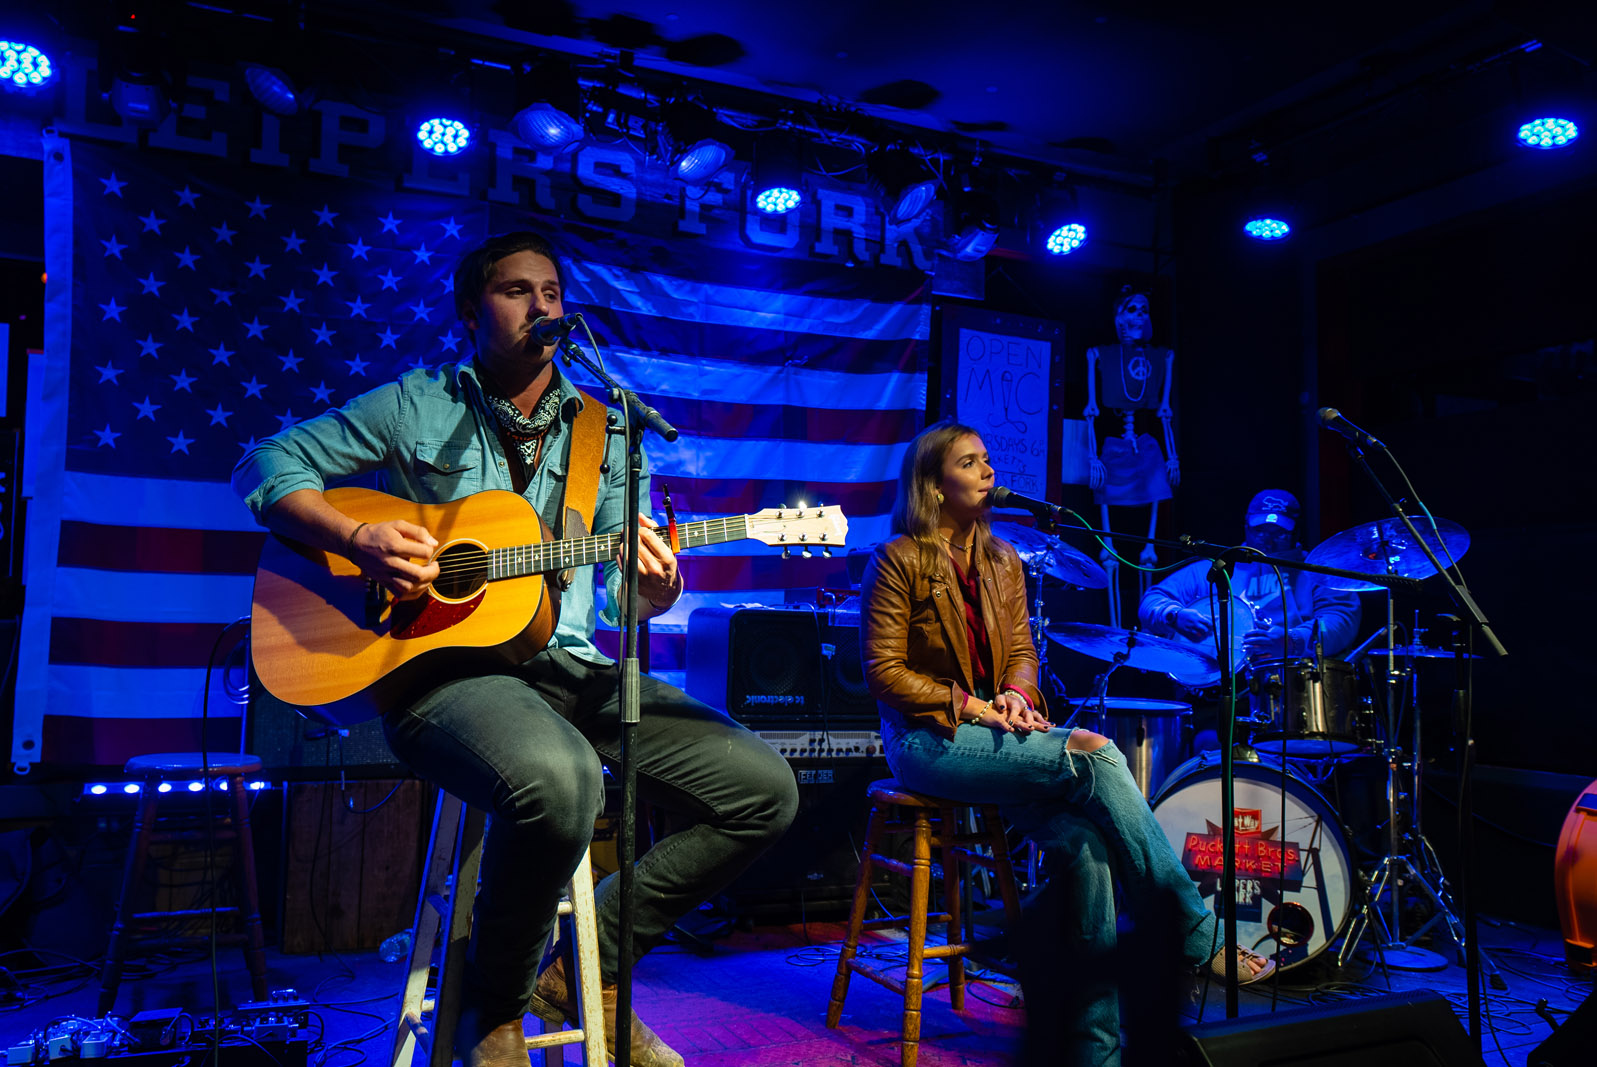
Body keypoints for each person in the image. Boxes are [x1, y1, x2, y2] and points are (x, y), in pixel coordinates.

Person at [233, 231, 798, 1067]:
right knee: (560, 779)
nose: (542, 305)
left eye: (552, 291)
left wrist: (650, 589)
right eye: (515, 289)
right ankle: (489, 1010)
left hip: (565, 666)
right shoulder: (415, 403)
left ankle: (585, 968)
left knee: (764, 789)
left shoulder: (605, 429)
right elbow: (265, 465)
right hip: (440, 674)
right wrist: (361, 538)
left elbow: (613, 589)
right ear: (471, 310)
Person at [859, 421, 1273, 1067]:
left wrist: (1019, 696)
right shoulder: (897, 558)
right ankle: (1197, 933)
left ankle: (1094, 1052)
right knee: (1099, 751)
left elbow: (1021, 652)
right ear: (933, 487)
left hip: (997, 733)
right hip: (925, 739)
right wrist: (970, 704)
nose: (988, 470)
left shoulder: (1000, 561)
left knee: (1085, 846)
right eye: (970, 463)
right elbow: (883, 671)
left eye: (987, 459)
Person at [1138, 489, 1362, 669]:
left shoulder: (1317, 571)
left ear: (1296, 533)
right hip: (1218, 684)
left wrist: (1293, 640)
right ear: (1246, 526)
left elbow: (1341, 618)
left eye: (1278, 532)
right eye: (1260, 530)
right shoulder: (1214, 568)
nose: (1268, 540)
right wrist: (1174, 616)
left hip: (1295, 684)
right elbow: (1153, 599)